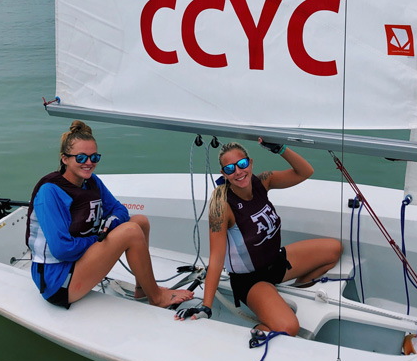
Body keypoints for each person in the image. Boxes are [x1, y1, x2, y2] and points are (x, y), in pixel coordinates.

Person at [176, 138, 342, 336]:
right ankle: (261, 328)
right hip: (251, 281)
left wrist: (281, 149)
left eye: (242, 164)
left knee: (334, 249)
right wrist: (206, 306)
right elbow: (217, 258)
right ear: (224, 174)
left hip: (277, 262)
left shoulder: (262, 182)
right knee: (289, 327)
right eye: (230, 169)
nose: (238, 172)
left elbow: (305, 172)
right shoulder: (222, 207)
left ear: (251, 163)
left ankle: (298, 289)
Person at [26, 120, 194, 310]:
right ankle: (157, 298)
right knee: (130, 231)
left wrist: (110, 225)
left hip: (77, 261)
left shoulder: (91, 182)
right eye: (81, 158)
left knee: (140, 222)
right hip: (57, 282)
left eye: (94, 157)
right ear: (65, 159)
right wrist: (99, 238)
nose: (88, 163)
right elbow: (61, 250)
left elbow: (120, 210)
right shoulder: (50, 192)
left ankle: (143, 289)